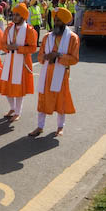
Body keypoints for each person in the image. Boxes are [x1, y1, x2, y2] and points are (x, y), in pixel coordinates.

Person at [29, 8, 79, 137]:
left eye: (59, 21)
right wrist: (45, 57)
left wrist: (59, 55)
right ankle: (40, 127)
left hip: (61, 75)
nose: (56, 23)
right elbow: (39, 57)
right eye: (55, 20)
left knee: (60, 100)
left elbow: (74, 59)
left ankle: (60, 127)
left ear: (65, 22)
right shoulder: (47, 37)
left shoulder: (73, 38)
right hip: (46, 74)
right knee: (42, 99)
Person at [0, 3, 38, 122]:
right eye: (13, 14)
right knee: (6, 86)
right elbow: (3, 44)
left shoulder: (29, 30)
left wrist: (18, 48)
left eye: (17, 15)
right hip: (9, 62)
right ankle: (12, 108)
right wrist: (8, 48)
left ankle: (18, 112)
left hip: (22, 63)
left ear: (23, 16)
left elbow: (32, 48)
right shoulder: (9, 28)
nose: (14, 17)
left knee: (18, 89)